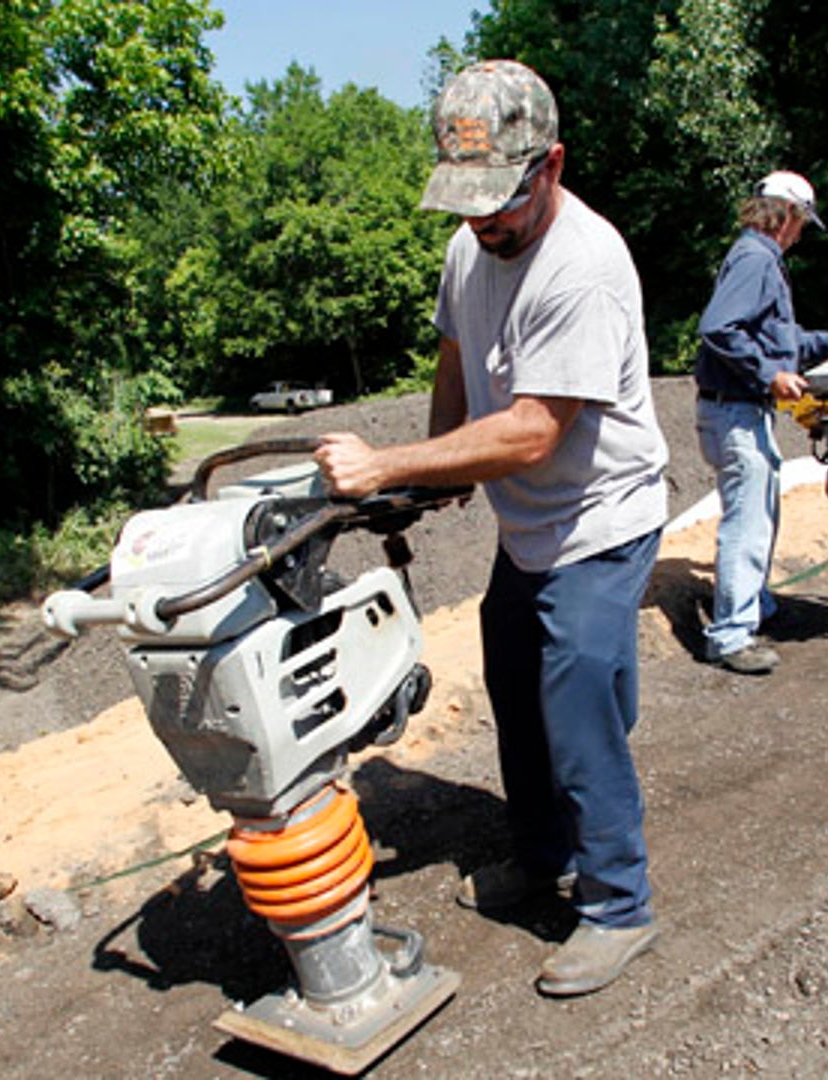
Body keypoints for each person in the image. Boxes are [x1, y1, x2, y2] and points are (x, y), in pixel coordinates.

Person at [313, 59, 667, 998]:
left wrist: (388, 463)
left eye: (500, 200)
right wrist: (435, 466)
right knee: (515, 685)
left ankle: (617, 905)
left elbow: (534, 430)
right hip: (528, 521)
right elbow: (456, 355)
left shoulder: (585, 265)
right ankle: (542, 851)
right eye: (467, 201)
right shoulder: (473, 246)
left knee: (578, 698)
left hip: (601, 515)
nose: (483, 221)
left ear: (550, 165)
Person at [692, 170, 828, 674]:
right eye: (800, 223)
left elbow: (779, 336)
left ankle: (757, 607)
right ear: (788, 214)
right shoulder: (756, 259)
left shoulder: (757, 257)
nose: (800, 235)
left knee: (760, 512)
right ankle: (730, 636)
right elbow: (719, 328)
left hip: (735, 408)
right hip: (736, 409)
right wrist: (770, 376)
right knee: (747, 523)